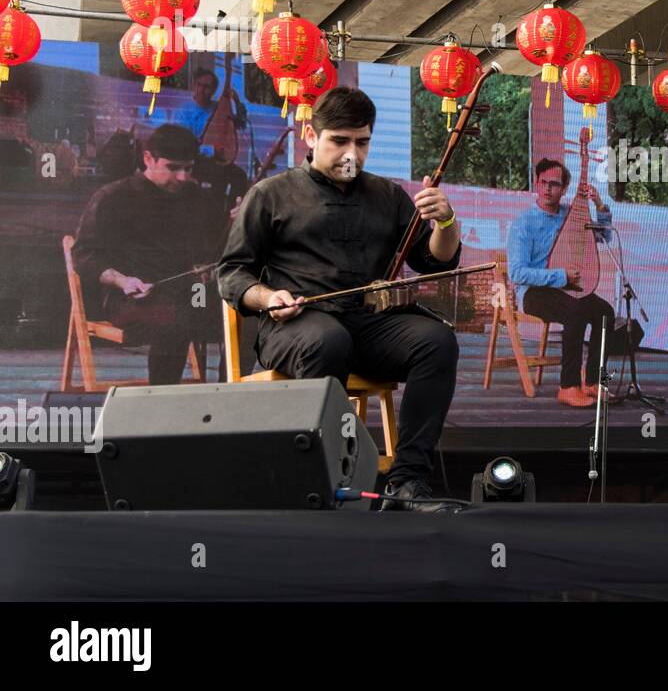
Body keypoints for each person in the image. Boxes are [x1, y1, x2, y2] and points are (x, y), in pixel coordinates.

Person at [217, 87, 462, 512]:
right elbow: (232, 273)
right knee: (327, 340)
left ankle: (406, 482)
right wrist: (267, 296)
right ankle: (325, 482)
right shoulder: (271, 194)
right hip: (296, 326)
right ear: (311, 136)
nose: (352, 153)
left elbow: (433, 261)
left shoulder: (388, 196)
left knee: (436, 341)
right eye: (340, 140)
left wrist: (446, 220)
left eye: (362, 142)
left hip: (368, 325)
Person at [72, 124, 225, 385]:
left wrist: (235, 224)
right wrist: (123, 281)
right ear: (148, 159)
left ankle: (228, 396)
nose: (183, 177)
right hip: (130, 300)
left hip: (192, 294)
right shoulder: (114, 197)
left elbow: (218, 246)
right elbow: (84, 255)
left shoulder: (197, 197)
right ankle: (161, 400)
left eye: (188, 168)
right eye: (173, 167)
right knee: (176, 319)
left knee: (244, 315)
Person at [506, 158, 615, 409]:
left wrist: (599, 204)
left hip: (565, 288)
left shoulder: (570, 215)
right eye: (543, 182)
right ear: (536, 183)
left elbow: (603, 236)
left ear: (564, 188)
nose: (547, 189)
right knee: (575, 311)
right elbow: (517, 273)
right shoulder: (524, 223)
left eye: (554, 184)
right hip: (534, 293)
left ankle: (593, 382)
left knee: (605, 313)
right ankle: (568, 387)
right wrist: (560, 276)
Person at [174, 66, 249, 211]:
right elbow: (184, 144)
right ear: (194, 85)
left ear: (213, 90)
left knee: (239, 176)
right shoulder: (184, 112)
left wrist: (237, 102)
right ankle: (214, 215)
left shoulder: (217, 108)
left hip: (217, 161)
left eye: (207, 86)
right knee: (219, 175)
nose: (202, 90)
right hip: (194, 160)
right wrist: (211, 151)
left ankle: (231, 214)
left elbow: (241, 124)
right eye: (199, 85)